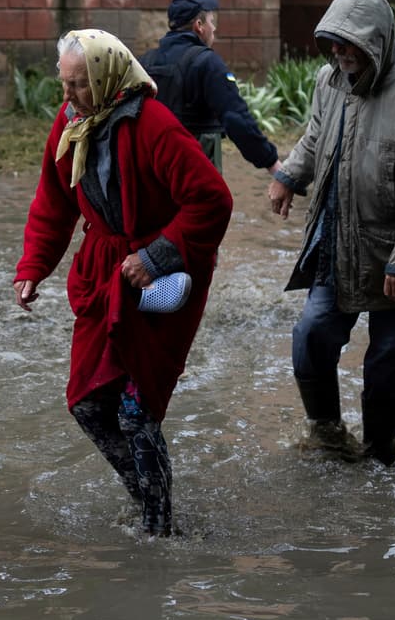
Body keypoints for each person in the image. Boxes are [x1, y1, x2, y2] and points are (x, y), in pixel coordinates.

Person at [12, 30, 234, 535]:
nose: (67, 98)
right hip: (105, 271)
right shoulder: (71, 124)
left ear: (109, 78)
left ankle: (160, 529)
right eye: (64, 85)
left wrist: (155, 256)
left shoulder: (154, 125)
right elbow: (53, 204)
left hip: (164, 279)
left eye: (79, 86)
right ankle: (149, 501)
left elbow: (213, 200)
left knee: (137, 412)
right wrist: (32, 268)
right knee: (89, 404)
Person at [265, 0, 395, 466]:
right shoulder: (329, 80)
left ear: (374, 42)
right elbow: (316, 135)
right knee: (311, 335)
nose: (337, 53)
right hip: (339, 242)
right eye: (332, 43)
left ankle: (380, 460)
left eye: (346, 44)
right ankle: (329, 435)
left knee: (387, 367)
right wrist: (290, 175)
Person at [137, 0, 278, 173]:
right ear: (199, 26)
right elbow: (236, 118)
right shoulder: (207, 62)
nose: (214, 28)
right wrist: (271, 161)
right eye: (212, 22)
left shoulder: (145, 62)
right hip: (195, 166)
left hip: (151, 166)